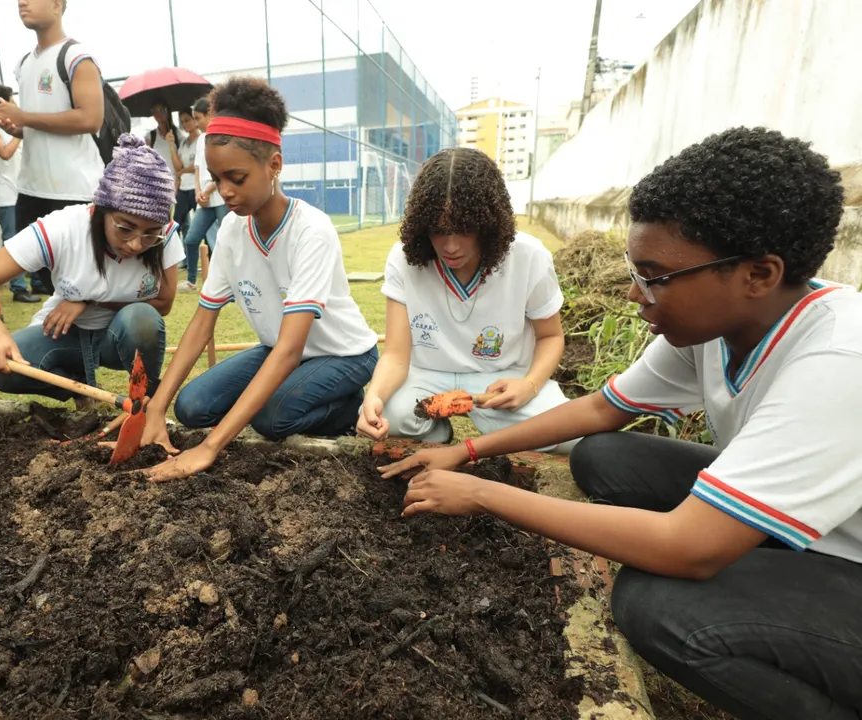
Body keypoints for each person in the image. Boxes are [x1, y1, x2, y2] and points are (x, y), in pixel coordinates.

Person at [379, 127, 862, 720]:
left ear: (758, 274)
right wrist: (470, 449)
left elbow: (691, 550)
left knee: (655, 604)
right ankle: (758, 549)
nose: (635, 294)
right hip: (812, 528)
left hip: (845, 560)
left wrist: (483, 493)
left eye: (654, 277)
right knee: (601, 454)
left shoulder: (838, 363)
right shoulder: (720, 325)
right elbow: (601, 410)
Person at [142, 78, 379, 482]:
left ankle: (348, 405)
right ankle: (297, 396)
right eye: (217, 180)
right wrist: (156, 408)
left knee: (272, 419)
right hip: (278, 351)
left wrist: (209, 448)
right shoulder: (233, 232)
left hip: (343, 355)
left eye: (237, 177)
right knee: (193, 407)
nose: (226, 192)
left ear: (274, 165)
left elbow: (290, 350)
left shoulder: (311, 231)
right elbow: (201, 325)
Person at [356, 147, 570, 451]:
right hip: (427, 376)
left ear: (488, 222)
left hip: (501, 377)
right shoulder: (403, 260)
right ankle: (437, 435)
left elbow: (550, 336)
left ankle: (499, 435)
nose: (451, 246)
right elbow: (395, 355)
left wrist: (529, 385)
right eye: (439, 230)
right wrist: (374, 395)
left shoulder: (529, 257)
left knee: (568, 437)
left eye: (465, 229)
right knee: (390, 417)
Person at [0, 135, 181, 406]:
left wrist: (89, 301)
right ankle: (79, 389)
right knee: (3, 369)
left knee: (142, 318)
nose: (135, 244)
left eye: (150, 235)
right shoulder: (63, 228)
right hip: (64, 335)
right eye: (125, 227)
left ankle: (147, 403)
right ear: (100, 210)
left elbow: (164, 303)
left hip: (116, 336)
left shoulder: (165, 237)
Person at [0, 0, 105, 297]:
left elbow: (91, 118)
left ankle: (95, 342)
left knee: (84, 285)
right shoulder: (25, 63)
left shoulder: (76, 56)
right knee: (52, 283)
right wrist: (14, 127)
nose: (21, 3)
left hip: (73, 191)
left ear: (56, 5)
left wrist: (24, 117)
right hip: (32, 189)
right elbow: (40, 126)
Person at [0, 84, 40, 304]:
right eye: (12, 101)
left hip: (19, 191)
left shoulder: (5, 127)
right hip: (5, 196)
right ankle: (18, 287)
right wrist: (21, 134)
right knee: (12, 241)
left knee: (29, 237)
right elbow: (4, 153)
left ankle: (36, 281)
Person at [178, 97, 228, 292]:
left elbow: (223, 171)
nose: (196, 122)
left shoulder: (222, 137)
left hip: (221, 197)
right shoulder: (200, 140)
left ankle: (228, 282)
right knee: (191, 239)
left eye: (198, 118)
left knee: (226, 242)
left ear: (210, 114)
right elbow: (198, 168)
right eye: (194, 118)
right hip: (204, 202)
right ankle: (191, 282)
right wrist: (199, 192)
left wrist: (208, 190)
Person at [172, 109, 199, 244]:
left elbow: (198, 164)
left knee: (202, 226)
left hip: (196, 187)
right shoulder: (183, 143)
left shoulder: (202, 140)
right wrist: (171, 144)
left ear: (195, 120)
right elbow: (178, 166)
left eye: (187, 120)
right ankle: (179, 257)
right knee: (175, 222)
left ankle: (209, 257)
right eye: (182, 122)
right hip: (183, 188)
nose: (185, 124)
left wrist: (183, 171)